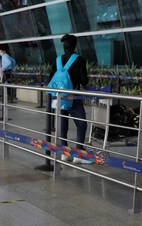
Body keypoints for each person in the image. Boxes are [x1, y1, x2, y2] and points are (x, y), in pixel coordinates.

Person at [49, 34, 91, 164]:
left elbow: (50, 78)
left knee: (63, 123)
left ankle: (64, 154)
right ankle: (79, 154)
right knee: (82, 124)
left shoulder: (57, 60)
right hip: (73, 97)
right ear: (75, 45)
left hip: (60, 98)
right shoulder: (79, 59)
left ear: (63, 46)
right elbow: (84, 81)